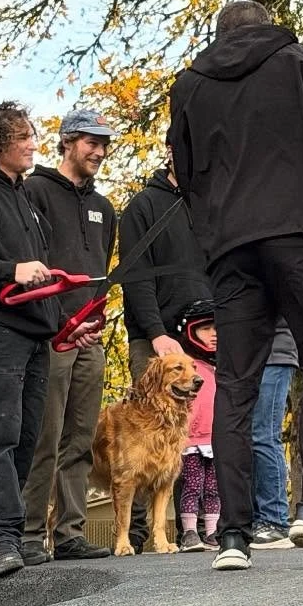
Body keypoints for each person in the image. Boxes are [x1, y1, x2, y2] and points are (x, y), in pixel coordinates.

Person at [166, 0, 303, 571]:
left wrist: (213, 227)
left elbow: (184, 170)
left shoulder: (190, 84)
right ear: (267, 27)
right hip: (299, 230)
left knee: (236, 383)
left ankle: (232, 537)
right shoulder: (301, 61)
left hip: (232, 247)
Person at [0, 102, 101, 578]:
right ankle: (1, 538)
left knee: (28, 437)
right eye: (25, 136)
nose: (34, 143)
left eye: (33, 135)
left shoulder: (23, 197)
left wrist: (66, 328)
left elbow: (42, 279)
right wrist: (11, 270)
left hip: (34, 333)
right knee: (0, 433)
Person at [18, 108, 117, 562]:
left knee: (80, 440)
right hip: (50, 337)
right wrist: (60, 324)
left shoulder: (104, 208)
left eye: (103, 144)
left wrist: (90, 325)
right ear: (67, 142)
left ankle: (71, 533)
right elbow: (32, 267)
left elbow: (98, 273)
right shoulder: (33, 191)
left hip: (91, 339)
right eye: (90, 142)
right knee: (44, 434)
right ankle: (28, 532)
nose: (98, 151)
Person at [117, 148, 212, 553]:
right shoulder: (143, 206)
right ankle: (132, 535)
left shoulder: (210, 204)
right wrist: (155, 332)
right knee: (140, 440)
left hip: (206, 340)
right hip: (157, 342)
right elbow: (134, 276)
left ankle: (184, 531)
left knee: (187, 442)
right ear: (172, 152)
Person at [174, 301, 221, 551]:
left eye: (217, 329)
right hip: (191, 442)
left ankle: (213, 532)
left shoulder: (219, 368)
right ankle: (190, 532)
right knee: (191, 486)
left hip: (214, 441)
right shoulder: (187, 368)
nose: (213, 335)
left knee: (214, 488)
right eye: (205, 329)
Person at [250, 324, 300, 549]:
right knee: (252, 438)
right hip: (249, 355)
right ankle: (259, 518)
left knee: (265, 435)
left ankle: (275, 520)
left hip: (274, 353)